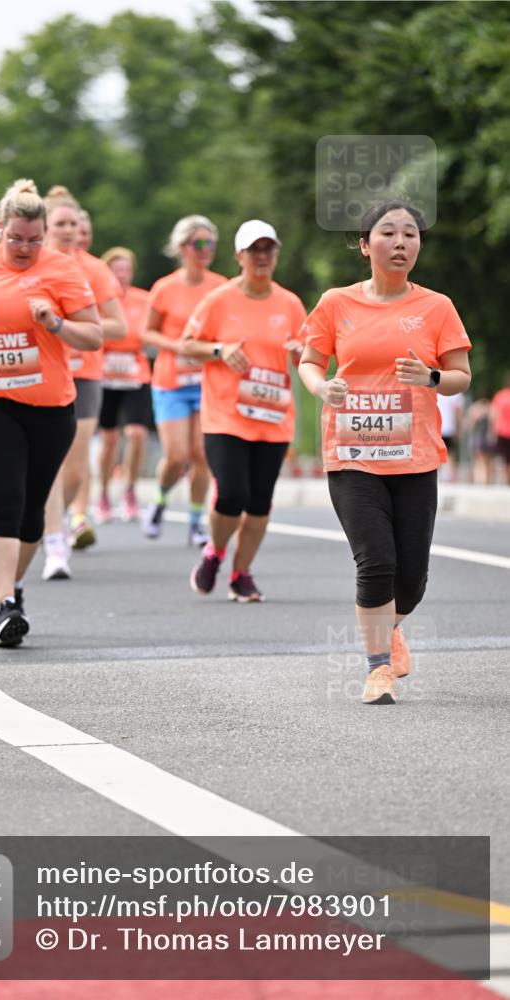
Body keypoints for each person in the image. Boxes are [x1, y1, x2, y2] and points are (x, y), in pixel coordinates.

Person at [298, 199, 471, 705]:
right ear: (364, 243)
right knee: (376, 561)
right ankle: (377, 669)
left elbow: (461, 377)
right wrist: (320, 387)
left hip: (415, 456)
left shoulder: (436, 307)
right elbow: (310, 361)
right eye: (389, 233)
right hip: (352, 452)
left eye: (411, 235)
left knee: (411, 580)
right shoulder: (336, 303)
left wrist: (432, 377)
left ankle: (390, 628)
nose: (401, 243)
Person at [0, 179, 101, 647]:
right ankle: (4, 605)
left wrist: (55, 323)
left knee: (31, 514)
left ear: (45, 233)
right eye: (15, 239)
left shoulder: (63, 271)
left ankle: (15, 588)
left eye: (34, 239)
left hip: (50, 407)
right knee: (1, 498)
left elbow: (93, 337)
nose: (25, 247)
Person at [184, 220, 306, 601]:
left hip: (272, 418)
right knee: (231, 494)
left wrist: (304, 355)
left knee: (258, 505)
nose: (263, 257)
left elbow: (308, 355)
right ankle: (215, 553)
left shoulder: (289, 304)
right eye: (255, 250)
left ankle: (241, 573)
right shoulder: (218, 300)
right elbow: (188, 344)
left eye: (269, 249)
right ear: (239, 256)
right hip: (226, 415)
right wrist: (220, 350)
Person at [40, 186, 126, 580]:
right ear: (45, 226)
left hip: (85, 373)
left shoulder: (94, 269)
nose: (70, 229)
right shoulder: (32, 265)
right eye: (61, 223)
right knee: (49, 464)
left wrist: (66, 327)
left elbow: (118, 325)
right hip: (39, 374)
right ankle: (55, 545)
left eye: (75, 223)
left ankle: (53, 518)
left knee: (75, 468)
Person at [141, 215, 227, 545]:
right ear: (182, 248)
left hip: (207, 380)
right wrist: (177, 345)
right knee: (177, 456)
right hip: (171, 381)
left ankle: (195, 521)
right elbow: (145, 332)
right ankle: (160, 501)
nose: (206, 250)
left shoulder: (220, 286)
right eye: (199, 244)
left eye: (211, 244)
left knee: (202, 455)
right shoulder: (165, 288)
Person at [96, 247, 152, 522]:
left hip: (135, 374)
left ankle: (130, 489)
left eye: (126, 270)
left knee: (137, 434)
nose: (121, 275)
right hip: (105, 373)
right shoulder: (101, 301)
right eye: (116, 270)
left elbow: (153, 333)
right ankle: (104, 494)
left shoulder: (144, 299)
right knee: (109, 439)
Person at [464, 392, 495, 484]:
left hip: (481, 436)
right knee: (481, 458)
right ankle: (481, 479)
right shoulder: (485, 408)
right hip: (479, 436)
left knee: (483, 458)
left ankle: (484, 479)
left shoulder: (483, 408)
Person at [436, 391, 464, 480]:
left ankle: (440, 474)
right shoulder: (455, 392)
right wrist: (459, 428)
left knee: (437, 453)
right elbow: (458, 411)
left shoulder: (434, 389)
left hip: (437, 428)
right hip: (449, 428)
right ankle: (450, 475)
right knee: (450, 453)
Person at [491, 373, 510, 484]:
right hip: (504, 432)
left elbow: (494, 415)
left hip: (502, 432)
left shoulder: (500, 396)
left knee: (505, 459)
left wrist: (492, 432)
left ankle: (507, 480)